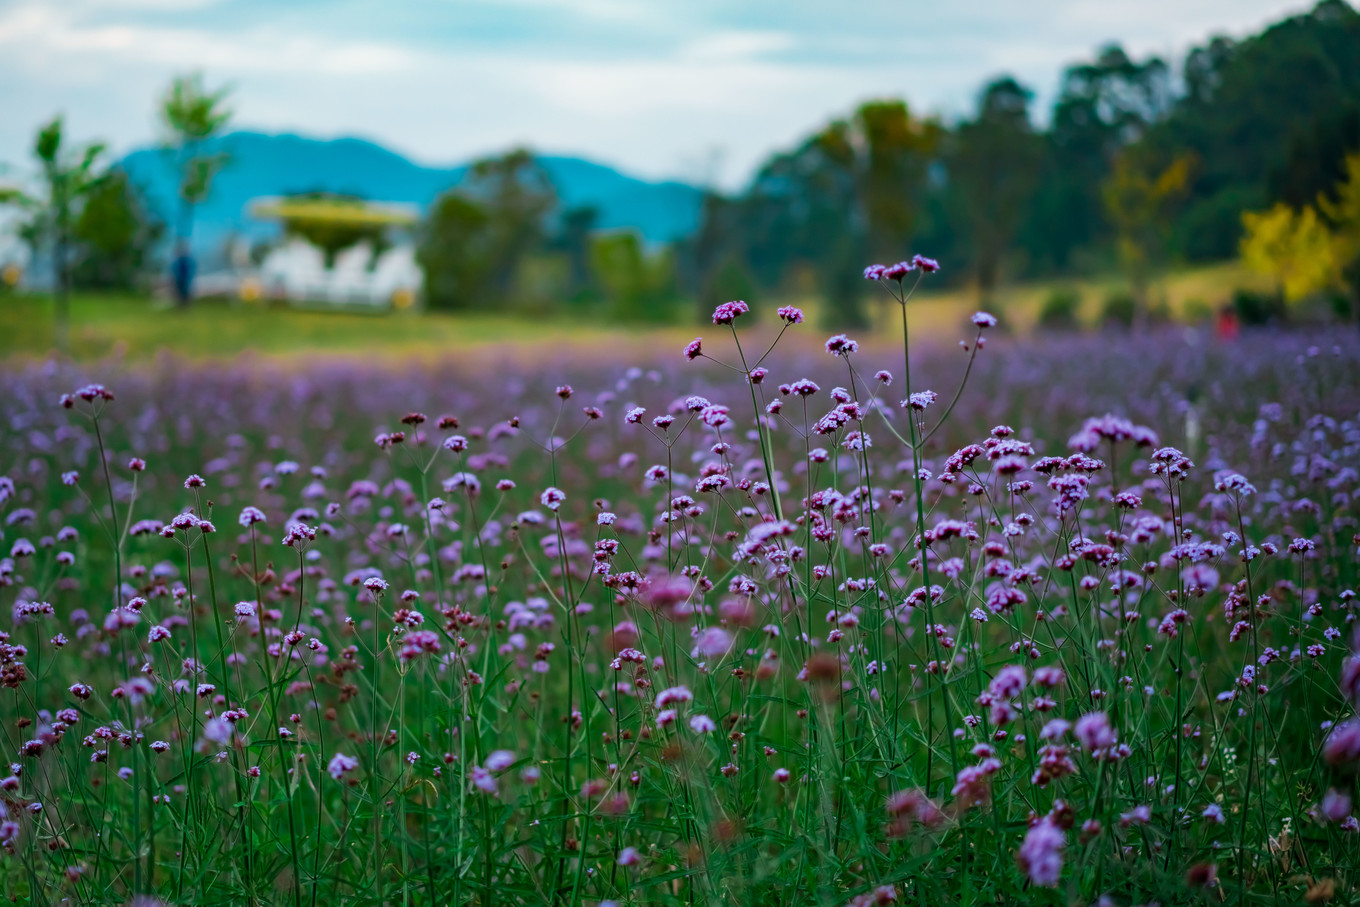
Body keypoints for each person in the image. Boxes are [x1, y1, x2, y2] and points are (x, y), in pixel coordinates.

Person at [171, 241, 195, 306]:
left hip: (185, 278)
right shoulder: (180, 260)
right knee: (180, 292)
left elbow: (190, 269)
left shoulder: (186, 260)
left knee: (185, 292)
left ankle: (185, 305)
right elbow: (175, 269)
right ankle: (181, 305)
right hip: (180, 278)